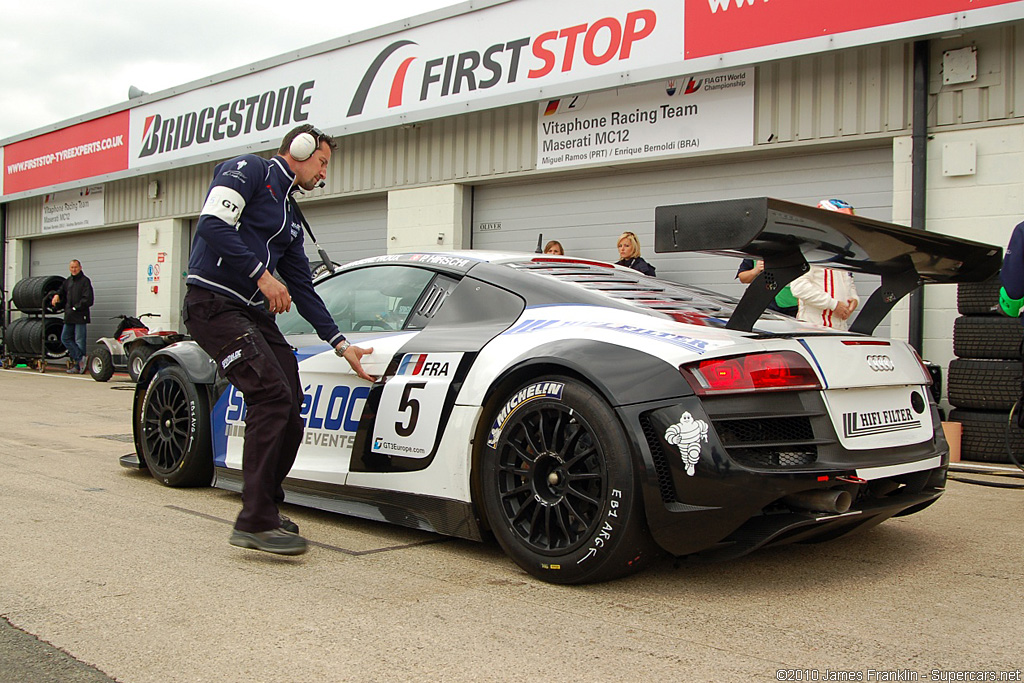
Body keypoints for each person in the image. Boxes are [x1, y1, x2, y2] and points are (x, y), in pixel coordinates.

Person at [183, 123, 374, 556]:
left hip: (250, 312)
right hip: (212, 304)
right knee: (270, 395)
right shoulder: (247, 170)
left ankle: (265, 506)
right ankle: (253, 521)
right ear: (301, 149)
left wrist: (342, 346)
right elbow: (213, 225)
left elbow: (303, 288)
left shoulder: (291, 215)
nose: (324, 174)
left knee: (289, 400)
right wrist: (262, 275)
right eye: (322, 162)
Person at [788, 199, 860, 330]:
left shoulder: (842, 252)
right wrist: (833, 305)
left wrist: (854, 300)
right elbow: (799, 287)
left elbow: (849, 281)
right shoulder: (810, 251)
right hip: (814, 327)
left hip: (840, 327)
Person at [51, 259, 93, 374]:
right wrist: (56, 295)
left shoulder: (85, 281)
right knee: (65, 338)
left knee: (80, 341)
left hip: (80, 315)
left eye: (76, 267)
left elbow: (88, 299)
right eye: (72, 267)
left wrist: (76, 307)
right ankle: (80, 359)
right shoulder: (68, 281)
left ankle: (78, 366)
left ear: (80, 267)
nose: (74, 269)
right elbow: (61, 291)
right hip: (69, 315)